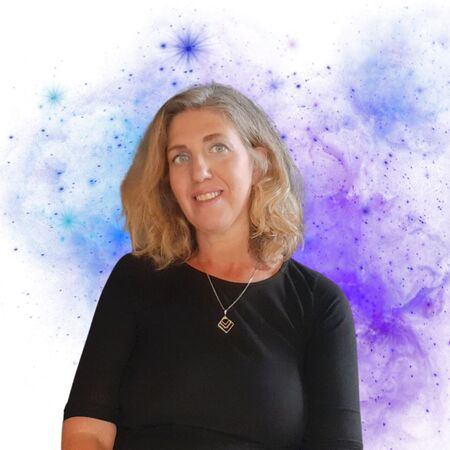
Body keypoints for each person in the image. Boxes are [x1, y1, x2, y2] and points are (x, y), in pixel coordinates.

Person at [61, 82, 363, 449]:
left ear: (259, 164)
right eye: (180, 157)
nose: (199, 171)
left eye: (218, 147)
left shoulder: (318, 303)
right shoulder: (135, 279)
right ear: (167, 180)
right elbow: (87, 431)